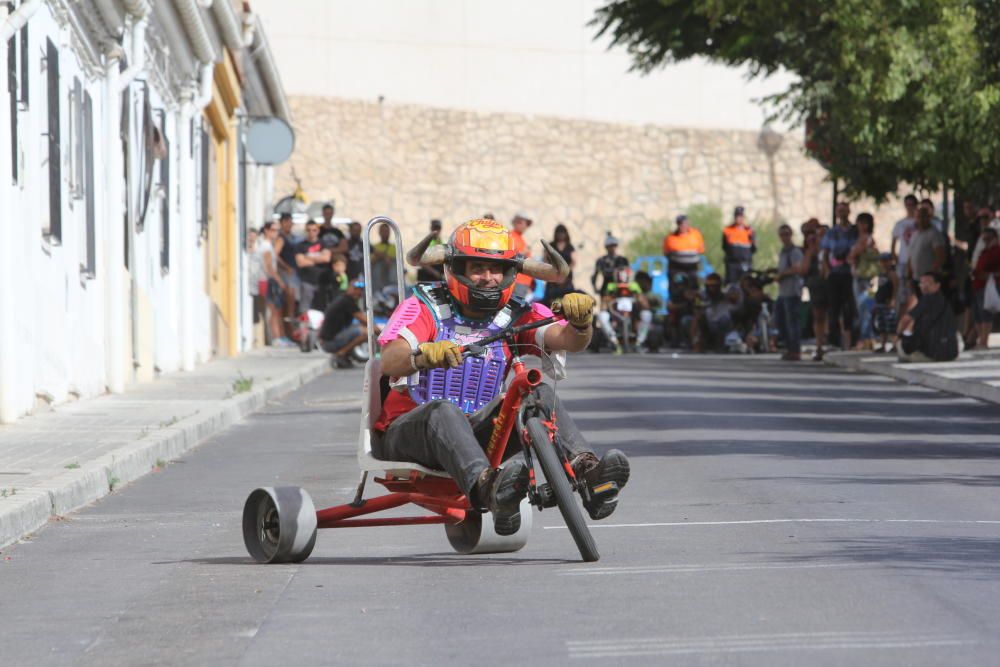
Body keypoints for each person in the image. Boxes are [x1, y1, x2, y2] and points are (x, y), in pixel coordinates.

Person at [381, 218, 630, 534]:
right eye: (477, 268)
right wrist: (421, 356)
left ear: (511, 273)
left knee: (536, 392)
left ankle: (588, 473)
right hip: (412, 433)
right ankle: (489, 488)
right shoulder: (423, 307)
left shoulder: (515, 314)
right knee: (443, 409)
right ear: (455, 269)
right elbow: (390, 361)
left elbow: (566, 340)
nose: (488, 278)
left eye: (497, 269)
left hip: (478, 432)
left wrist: (581, 324)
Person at [895, 272, 958, 362]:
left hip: (931, 354)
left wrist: (898, 336)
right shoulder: (945, 302)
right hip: (950, 353)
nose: (924, 286)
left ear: (937, 285)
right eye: (922, 283)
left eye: (927, 283)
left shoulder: (927, 299)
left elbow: (905, 320)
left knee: (901, 345)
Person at [821, 204, 858, 350]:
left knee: (849, 308)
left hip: (849, 273)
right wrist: (827, 270)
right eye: (839, 211)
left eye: (844, 210)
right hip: (835, 273)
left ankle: (850, 340)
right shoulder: (831, 232)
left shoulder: (854, 232)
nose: (841, 213)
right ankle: (834, 340)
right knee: (834, 308)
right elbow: (825, 253)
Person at [597, 266, 652, 354]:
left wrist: (638, 299)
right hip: (615, 313)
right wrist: (608, 300)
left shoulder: (634, 286)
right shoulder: (611, 286)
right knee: (602, 315)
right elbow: (604, 303)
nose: (622, 277)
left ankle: (639, 342)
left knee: (647, 314)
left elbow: (643, 302)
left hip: (632, 313)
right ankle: (614, 341)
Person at [319, 280, 372, 369]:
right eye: (355, 289)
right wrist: (382, 333)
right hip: (329, 343)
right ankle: (341, 353)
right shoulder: (347, 301)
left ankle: (345, 354)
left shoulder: (344, 299)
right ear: (349, 288)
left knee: (361, 329)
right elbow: (366, 322)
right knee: (367, 333)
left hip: (328, 340)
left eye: (360, 290)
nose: (358, 292)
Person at [259, 222, 293, 347]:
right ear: (266, 231)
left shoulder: (269, 246)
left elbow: (275, 260)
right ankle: (276, 338)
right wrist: (280, 281)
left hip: (269, 280)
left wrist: (285, 268)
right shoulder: (265, 246)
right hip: (268, 281)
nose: (276, 233)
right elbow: (269, 267)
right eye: (273, 230)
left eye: (278, 230)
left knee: (276, 310)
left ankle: (279, 336)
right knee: (274, 310)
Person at [848, 212, 880, 348]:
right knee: (861, 308)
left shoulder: (867, 239)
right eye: (860, 222)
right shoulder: (857, 238)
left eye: (864, 223)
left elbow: (854, 254)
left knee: (865, 308)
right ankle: (866, 337)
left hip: (866, 278)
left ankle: (867, 338)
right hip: (859, 276)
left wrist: (855, 252)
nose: (861, 226)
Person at [775, 224, 806, 360]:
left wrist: (782, 275)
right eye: (782, 235)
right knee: (781, 321)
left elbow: (797, 268)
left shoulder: (795, 252)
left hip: (792, 292)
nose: (784, 237)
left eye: (787, 234)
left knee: (792, 322)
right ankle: (789, 348)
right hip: (783, 292)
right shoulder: (783, 252)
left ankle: (795, 349)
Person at [803, 222, 829, 361]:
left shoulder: (831, 251)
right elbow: (805, 269)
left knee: (833, 315)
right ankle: (819, 345)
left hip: (831, 285)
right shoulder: (813, 251)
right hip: (817, 286)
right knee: (818, 316)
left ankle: (833, 342)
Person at [691, 273, 737, 352]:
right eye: (710, 286)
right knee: (696, 318)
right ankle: (698, 343)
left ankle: (722, 344)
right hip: (708, 325)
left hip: (722, 325)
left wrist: (726, 297)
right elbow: (696, 311)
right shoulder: (701, 295)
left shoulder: (725, 295)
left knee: (725, 320)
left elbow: (735, 299)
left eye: (715, 286)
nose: (712, 288)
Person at [971, 228, 1000, 349]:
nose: (987, 241)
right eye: (984, 239)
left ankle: (984, 340)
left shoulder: (997, 251)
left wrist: (991, 275)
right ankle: (980, 339)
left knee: (986, 313)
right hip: (978, 285)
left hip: (990, 286)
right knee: (977, 313)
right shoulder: (983, 251)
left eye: (989, 239)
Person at [295, 221, 333, 313]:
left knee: (322, 309)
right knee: (305, 310)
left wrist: (308, 257)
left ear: (318, 231)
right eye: (308, 230)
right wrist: (319, 257)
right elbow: (300, 263)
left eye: (314, 230)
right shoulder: (300, 245)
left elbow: (326, 258)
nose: (311, 232)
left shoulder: (323, 243)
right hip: (307, 281)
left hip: (322, 282)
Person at [663, 214, 705, 295]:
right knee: (678, 288)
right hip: (677, 269)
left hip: (692, 268)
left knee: (693, 289)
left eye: (684, 223)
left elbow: (701, 249)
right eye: (680, 224)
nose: (683, 226)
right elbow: (666, 253)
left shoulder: (696, 234)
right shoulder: (670, 238)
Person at [274, 212, 302, 334]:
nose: (289, 224)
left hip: (294, 272)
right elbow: (275, 254)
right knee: (289, 303)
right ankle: (288, 331)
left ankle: (292, 331)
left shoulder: (292, 237)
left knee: (293, 303)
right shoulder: (281, 238)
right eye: (286, 222)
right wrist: (286, 268)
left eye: (290, 221)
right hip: (287, 273)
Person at [891, 194, 919, 310]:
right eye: (907, 204)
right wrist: (896, 259)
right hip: (903, 262)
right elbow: (893, 244)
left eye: (912, 204)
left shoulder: (919, 223)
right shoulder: (900, 224)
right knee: (903, 294)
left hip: (917, 262)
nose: (909, 207)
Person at [543, 224, 576, 305]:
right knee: (550, 302)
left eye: (562, 232)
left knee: (567, 301)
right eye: (559, 232)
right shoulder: (551, 245)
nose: (560, 235)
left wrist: (564, 274)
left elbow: (573, 262)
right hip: (552, 277)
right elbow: (546, 260)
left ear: (566, 234)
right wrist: (554, 274)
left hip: (566, 279)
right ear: (555, 234)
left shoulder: (570, 247)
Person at [871, 253, 899, 353]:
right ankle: (883, 345)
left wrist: (893, 299)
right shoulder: (881, 273)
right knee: (881, 325)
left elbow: (896, 287)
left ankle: (895, 344)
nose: (883, 264)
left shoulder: (892, 274)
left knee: (890, 325)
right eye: (882, 261)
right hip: (880, 301)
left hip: (888, 301)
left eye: (885, 261)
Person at [722, 206, 755, 284]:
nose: (739, 218)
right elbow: (724, 246)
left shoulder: (749, 230)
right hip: (732, 264)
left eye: (740, 216)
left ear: (743, 217)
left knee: (747, 284)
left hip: (745, 263)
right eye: (737, 216)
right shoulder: (728, 230)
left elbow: (753, 248)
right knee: (731, 285)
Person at [509, 213, 535, 299]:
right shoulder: (511, 236)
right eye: (524, 223)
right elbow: (511, 256)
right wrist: (525, 252)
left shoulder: (520, 239)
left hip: (523, 282)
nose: (525, 226)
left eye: (526, 224)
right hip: (517, 281)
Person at [371, 222, 398, 293]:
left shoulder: (394, 247)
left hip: (390, 281)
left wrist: (380, 255)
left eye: (387, 231)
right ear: (379, 232)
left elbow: (393, 262)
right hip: (377, 282)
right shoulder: (375, 247)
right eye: (383, 231)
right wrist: (383, 256)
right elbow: (372, 261)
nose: (385, 233)